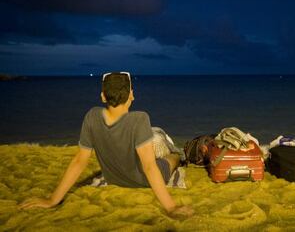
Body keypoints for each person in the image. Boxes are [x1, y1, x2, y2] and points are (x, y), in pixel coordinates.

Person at [19, 72, 194, 219]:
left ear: (103, 96)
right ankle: (180, 154)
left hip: (115, 179)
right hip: (144, 180)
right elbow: (149, 167)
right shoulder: (140, 118)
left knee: (153, 139)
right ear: (131, 95)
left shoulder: (92, 117)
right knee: (172, 157)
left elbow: (79, 161)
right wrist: (170, 207)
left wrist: (52, 200)